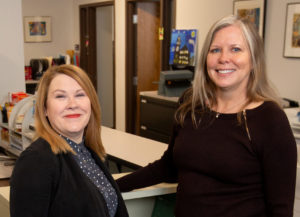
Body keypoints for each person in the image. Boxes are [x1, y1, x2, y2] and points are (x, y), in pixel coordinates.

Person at [116, 15, 297, 216]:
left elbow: (280, 209)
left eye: (235, 49)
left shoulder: (270, 119)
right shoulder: (191, 104)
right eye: (215, 50)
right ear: (206, 58)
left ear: (254, 60)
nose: (223, 58)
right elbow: (168, 167)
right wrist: (113, 185)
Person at [10, 65, 129, 217]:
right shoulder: (36, 161)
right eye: (60, 96)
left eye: (80, 95)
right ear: (45, 108)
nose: (73, 104)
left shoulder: (91, 153)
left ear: (91, 104)